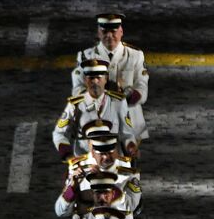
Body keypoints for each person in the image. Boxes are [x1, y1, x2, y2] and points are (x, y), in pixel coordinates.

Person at [69, 12, 149, 145]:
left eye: (113, 31)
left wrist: (125, 93)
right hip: (95, 122)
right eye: (104, 31)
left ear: (121, 31)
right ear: (98, 33)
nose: (109, 36)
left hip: (129, 123)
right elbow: (77, 91)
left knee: (127, 163)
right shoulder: (85, 57)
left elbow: (142, 90)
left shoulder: (135, 55)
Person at [54, 59, 137, 160]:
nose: (95, 81)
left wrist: (131, 146)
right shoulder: (75, 105)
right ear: (85, 80)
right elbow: (59, 133)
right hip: (84, 161)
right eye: (91, 78)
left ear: (106, 79)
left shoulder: (118, 102)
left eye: (98, 77)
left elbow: (127, 133)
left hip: (112, 160)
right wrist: (69, 157)